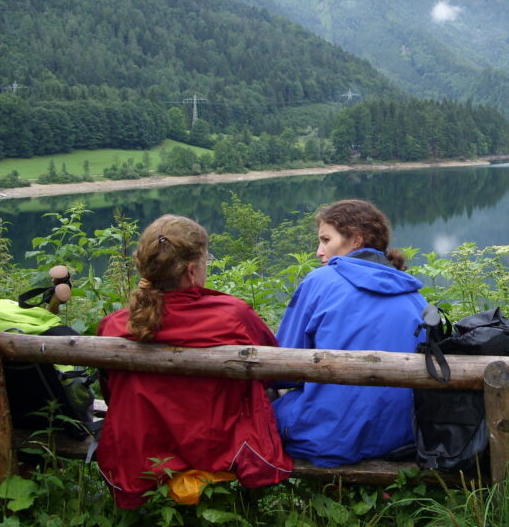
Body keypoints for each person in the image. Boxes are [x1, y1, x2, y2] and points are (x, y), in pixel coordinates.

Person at [96, 214, 292, 509]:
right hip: (217, 447)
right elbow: (273, 371)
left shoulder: (115, 325)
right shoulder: (232, 316)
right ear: (190, 270)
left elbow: (109, 390)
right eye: (205, 260)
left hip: (142, 454)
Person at [273, 199, 425, 466]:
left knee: (260, 404)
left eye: (325, 240)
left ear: (355, 239)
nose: (319, 252)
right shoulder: (414, 295)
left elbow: (282, 369)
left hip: (329, 439)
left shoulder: (320, 282)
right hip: (402, 437)